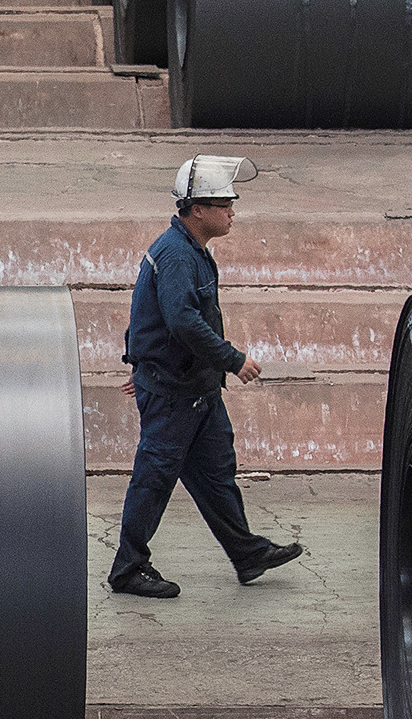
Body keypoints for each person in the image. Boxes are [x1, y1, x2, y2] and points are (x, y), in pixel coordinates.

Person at [111, 155, 307, 601]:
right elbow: (181, 321)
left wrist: (140, 361)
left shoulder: (193, 251)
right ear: (196, 209)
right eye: (224, 204)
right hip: (174, 393)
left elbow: (150, 314)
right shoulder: (176, 255)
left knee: (217, 475)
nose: (232, 212)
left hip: (196, 390)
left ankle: (247, 554)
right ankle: (127, 568)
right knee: (153, 479)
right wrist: (232, 359)